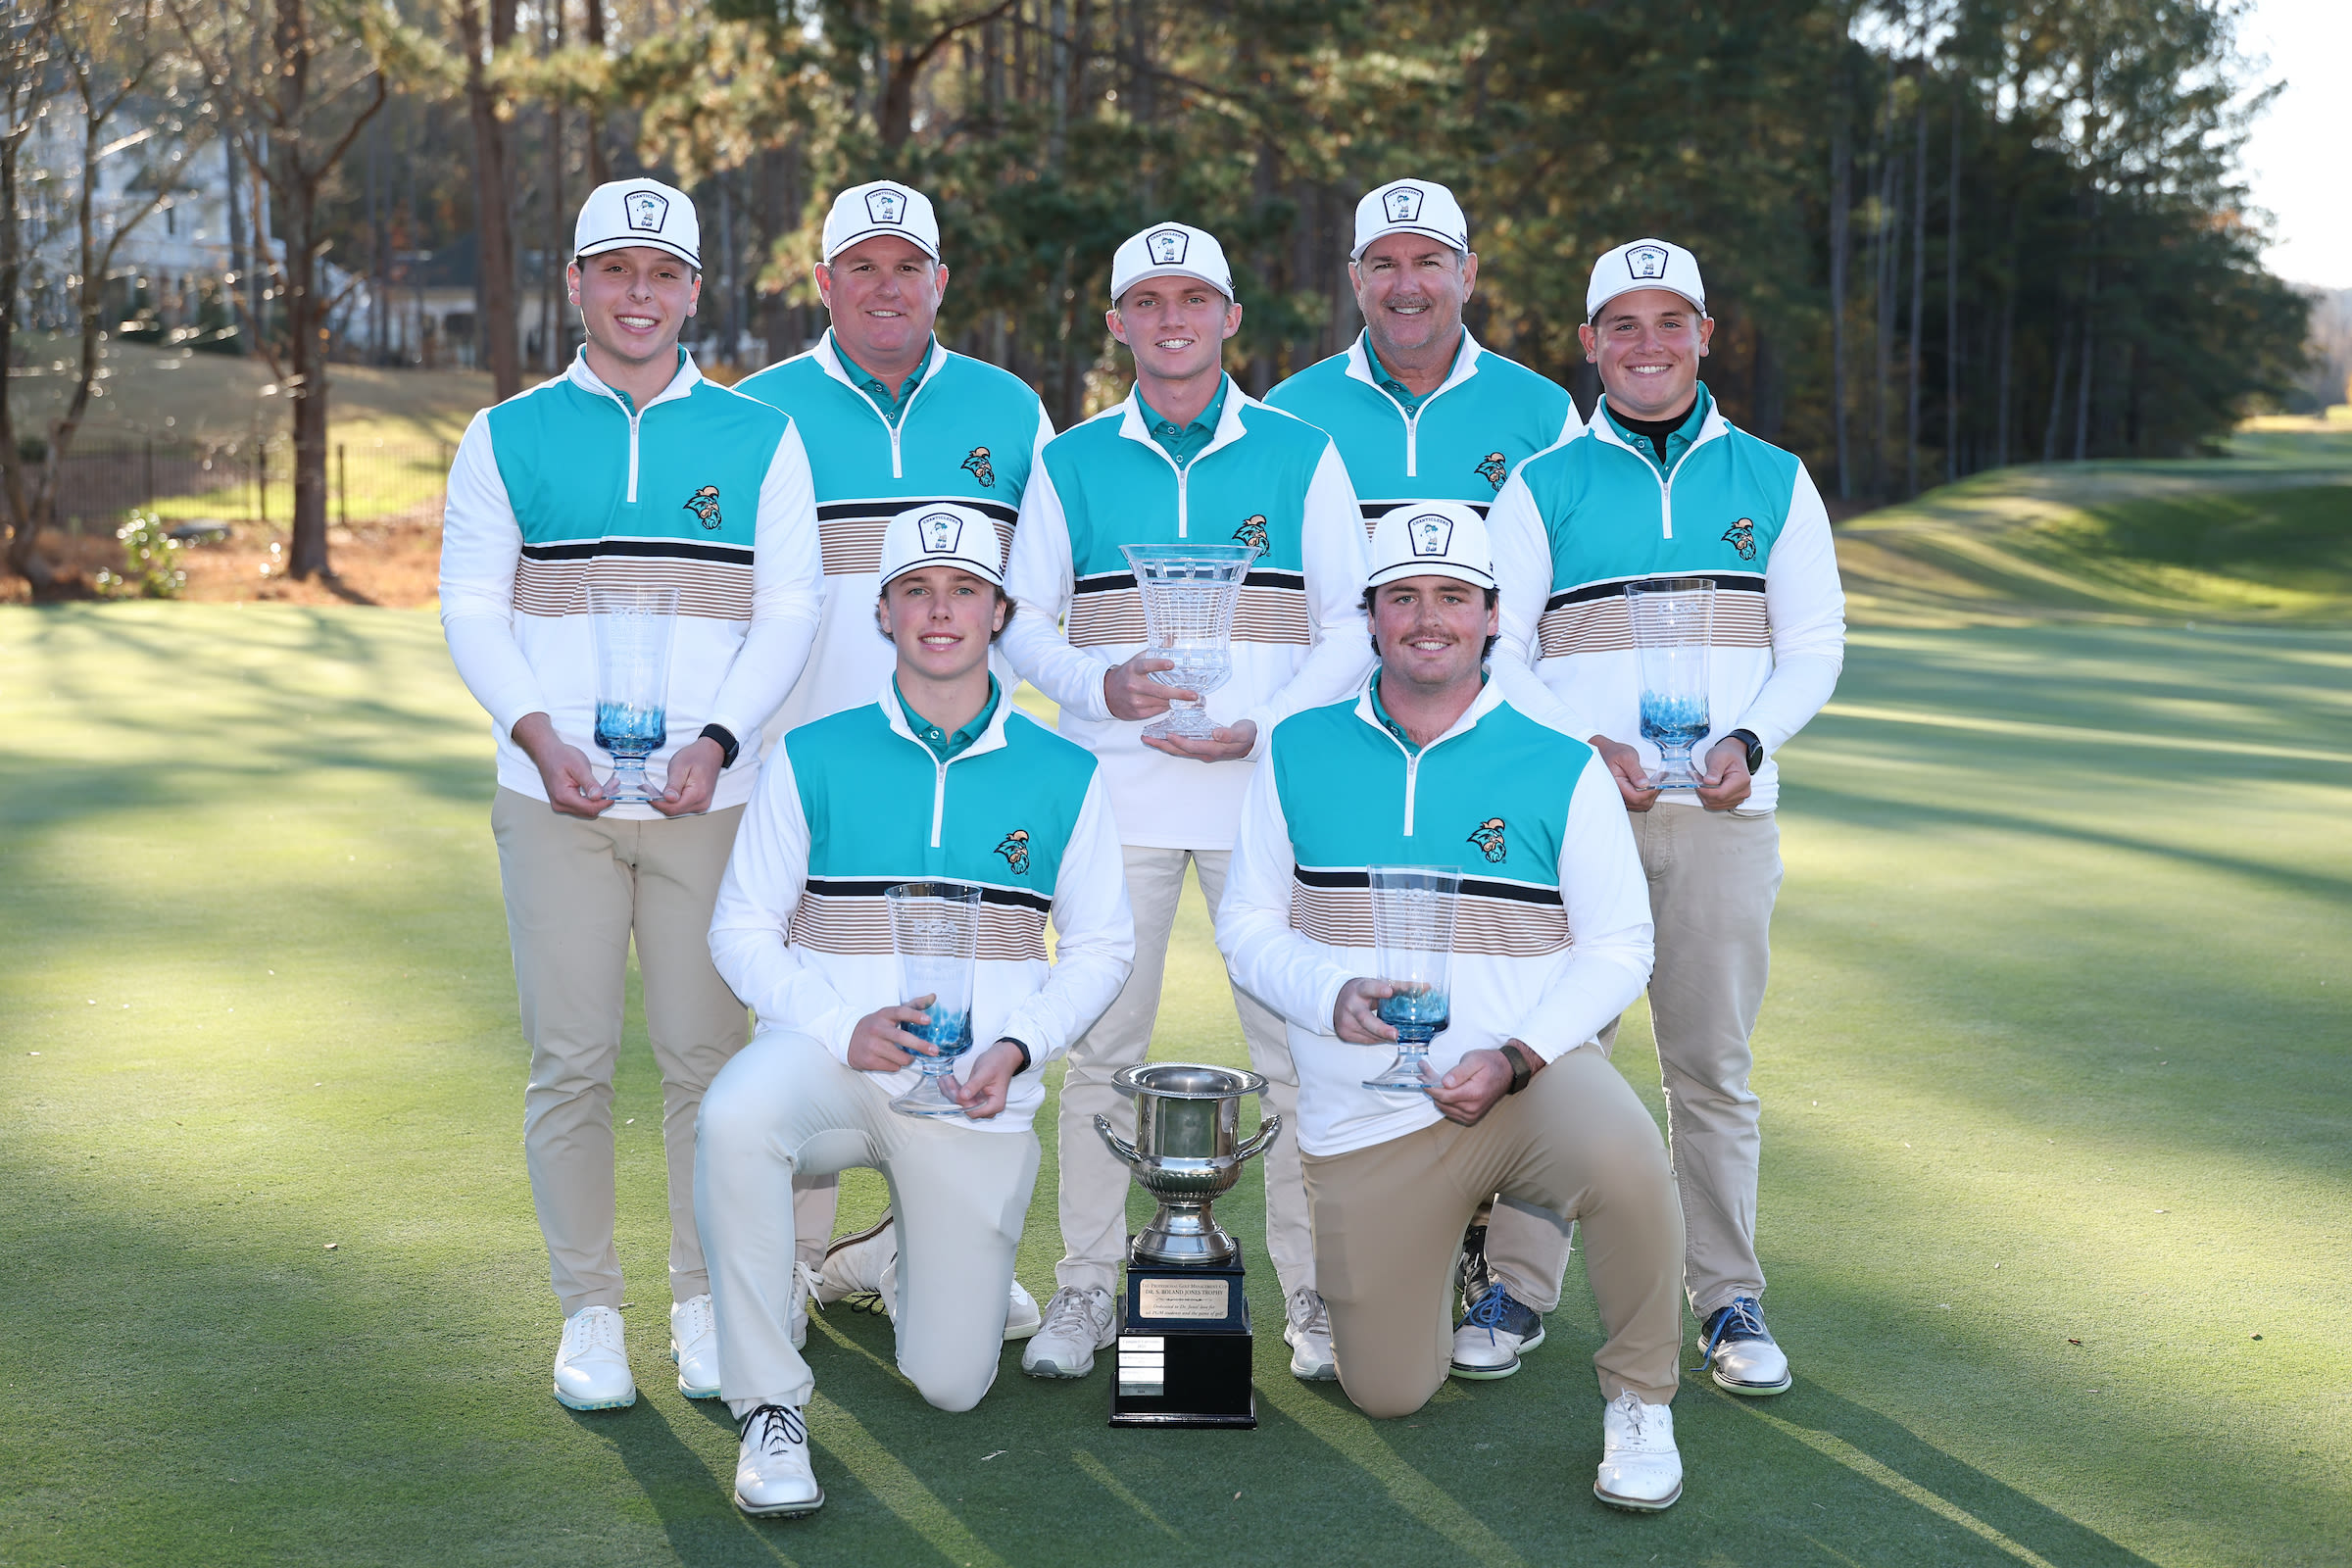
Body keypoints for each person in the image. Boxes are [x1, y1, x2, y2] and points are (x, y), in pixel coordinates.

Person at [437, 177, 823, 1412]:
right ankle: (591, 1312)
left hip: (712, 799)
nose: (639, 295)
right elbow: (471, 609)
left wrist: (719, 735)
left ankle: (703, 1301)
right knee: (571, 1060)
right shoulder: (505, 433)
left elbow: (789, 613)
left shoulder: (760, 436)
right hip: (554, 797)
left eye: (662, 276)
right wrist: (540, 737)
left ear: (694, 292)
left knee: (708, 1063)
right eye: (615, 272)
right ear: (577, 285)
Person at [1217, 501, 1687, 1511]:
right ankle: (1439, 1260)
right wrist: (1327, 991)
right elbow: (1247, 922)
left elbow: (1620, 945)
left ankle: (1641, 1398)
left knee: (1628, 1156)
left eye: (1452, 597)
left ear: (1490, 616)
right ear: (1372, 616)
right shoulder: (1297, 749)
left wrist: (1520, 1055)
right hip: (1365, 1120)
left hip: (1520, 1086)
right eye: (1404, 597)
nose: (1427, 617)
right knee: (1388, 1389)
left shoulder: (1560, 762)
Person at [698, 503, 1133, 1517]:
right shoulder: (812, 753)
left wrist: (1022, 1045)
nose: (941, 612)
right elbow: (740, 930)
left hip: (972, 1092)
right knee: (733, 1115)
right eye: (917, 592)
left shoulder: (1065, 772)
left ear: (998, 614)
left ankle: (885, 1252)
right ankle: (769, 1404)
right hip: (834, 1062)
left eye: (965, 591)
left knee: (953, 1383)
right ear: (884, 613)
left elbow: (1104, 945)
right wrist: (831, 1021)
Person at [1001, 221, 1373, 1383]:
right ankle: (1082, 1290)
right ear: (1115, 323)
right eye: (1148, 300)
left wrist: (1264, 728)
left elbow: (1349, 624)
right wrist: (1097, 683)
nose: (1173, 318)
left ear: (1229, 318)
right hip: (1119, 792)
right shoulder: (1068, 462)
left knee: (1301, 1049)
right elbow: (1020, 620)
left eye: (1195, 298)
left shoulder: (1302, 452)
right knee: (1103, 1048)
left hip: (1266, 795)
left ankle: (1314, 1294)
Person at [1487, 237, 1847, 1396]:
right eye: (1623, 325)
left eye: (1671, 321)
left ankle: (1729, 1298)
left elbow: (1814, 646)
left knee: (1711, 1069)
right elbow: (1505, 651)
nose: (1649, 344)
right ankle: (1517, 1287)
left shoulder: (1775, 478)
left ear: (1706, 334)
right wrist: (1582, 750)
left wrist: (1750, 739)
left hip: (1723, 819)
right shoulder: (1543, 483)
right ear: (1589, 344)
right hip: (1578, 820)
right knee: (1550, 1059)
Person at [1266, 174, 1588, 1380]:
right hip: (1353, 751)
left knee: (1519, 992)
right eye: (1382, 263)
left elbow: (1538, 602)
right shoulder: (1294, 413)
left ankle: (1511, 1282)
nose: (1407, 285)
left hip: (1498, 737)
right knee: (1364, 1002)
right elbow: (1310, 604)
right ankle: (1344, 1274)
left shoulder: (1543, 408)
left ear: (1467, 273)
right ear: (1354, 278)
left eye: (1430, 261)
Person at [733, 179, 1055, 1338]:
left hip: (972, 766)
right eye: (858, 267)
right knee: (812, 1019)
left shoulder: (1011, 408)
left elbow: (1045, 595)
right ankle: (790, 1262)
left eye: (904, 265)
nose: (884, 287)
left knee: (966, 1012)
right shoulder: (759, 412)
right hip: (817, 775)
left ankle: (929, 1252)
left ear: (940, 281)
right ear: (822, 283)